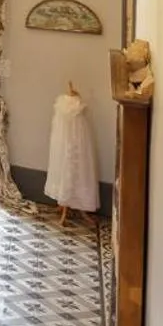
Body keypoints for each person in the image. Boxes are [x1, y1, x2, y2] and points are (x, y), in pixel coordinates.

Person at [47, 81, 100, 224]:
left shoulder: (77, 106)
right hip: (66, 143)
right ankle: (64, 201)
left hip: (75, 144)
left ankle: (74, 200)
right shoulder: (64, 106)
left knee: (76, 168)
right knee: (66, 166)